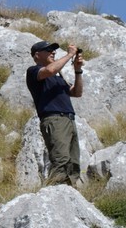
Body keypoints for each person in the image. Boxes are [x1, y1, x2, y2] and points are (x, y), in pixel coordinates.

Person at [26, 40, 85, 186]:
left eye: (54, 50)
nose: (53, 52)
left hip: (69, 120)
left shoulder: (58, 79)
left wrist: (78, 70)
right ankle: (53, 192)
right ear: (37, 55)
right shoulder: (33, 71)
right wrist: (69, 54)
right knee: (61, 161)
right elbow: (49, 70)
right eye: (49, 50)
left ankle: (69, 194)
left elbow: (77, 93)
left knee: (73, 163)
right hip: (54, 120)